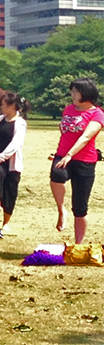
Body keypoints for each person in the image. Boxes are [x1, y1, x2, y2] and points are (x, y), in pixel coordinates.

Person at [50, 77, 104, 244]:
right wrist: (61, 153)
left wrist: (70, 154)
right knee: (57, 175)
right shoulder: (68, 109)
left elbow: (86, 136)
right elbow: (65, 131)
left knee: (80, 207)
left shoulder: (97, 114)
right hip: (63, 154)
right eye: (71, 90)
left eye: (76, 91)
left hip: (84, 160)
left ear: (86, 93)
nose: (72, 94)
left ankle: (78, 244)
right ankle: (61, 211)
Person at [0, 92, 28, 231]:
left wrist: (2, 157)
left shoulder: (20, 123)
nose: (1, 107)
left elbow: (16, 144)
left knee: (11, 191)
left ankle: (5, 222)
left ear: (13, 106)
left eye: (4, 104)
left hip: (10, 162)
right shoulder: (0, 119)